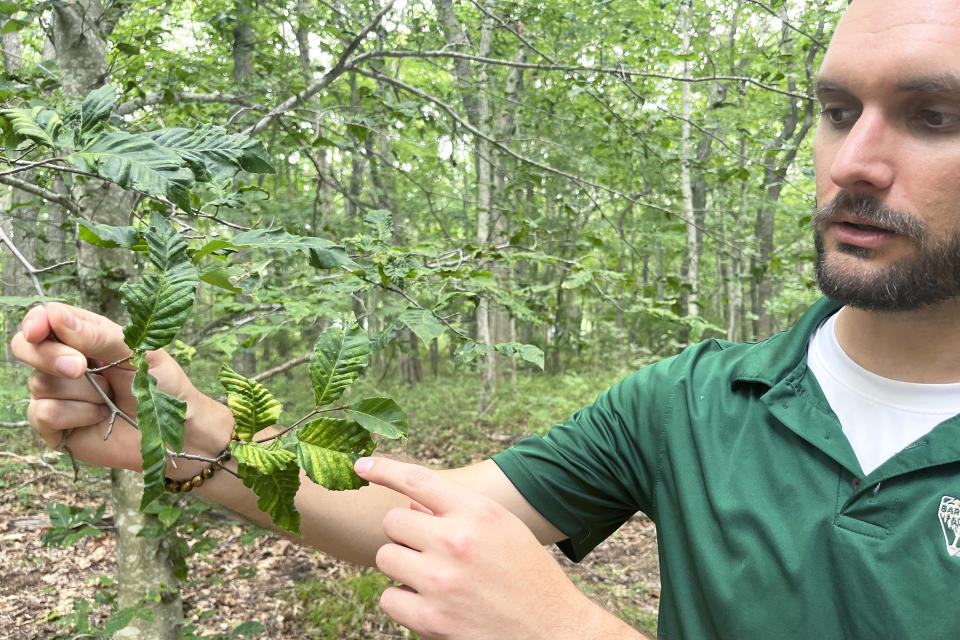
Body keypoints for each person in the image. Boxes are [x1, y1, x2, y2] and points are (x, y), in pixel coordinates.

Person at [12, 0, 960, 637]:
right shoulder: (699, 400)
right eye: (839, 110)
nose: (853, 162)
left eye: (932, 117)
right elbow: (427, 517)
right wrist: (184, 433)